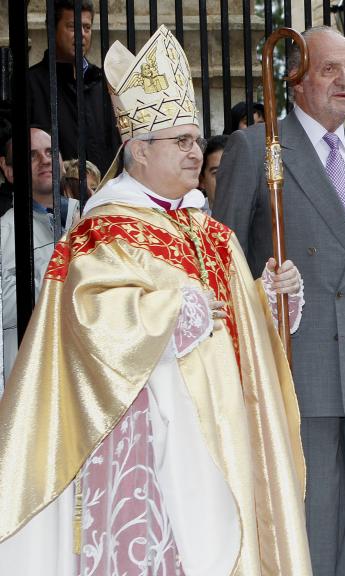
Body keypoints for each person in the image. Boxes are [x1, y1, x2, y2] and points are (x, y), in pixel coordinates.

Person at [0, 26, 312, 574]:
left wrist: (269, 300)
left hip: (225, 434)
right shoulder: (107, 229)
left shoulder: (209, 229)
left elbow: (241, 330)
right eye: (183, 141)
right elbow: (89, 319)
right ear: (139, 151)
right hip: (149, 433)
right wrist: (173, 314)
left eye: (197, 139)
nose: (198, 152)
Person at [214, 26, 345, 576]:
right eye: (331, 69)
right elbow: (223, 262)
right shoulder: (254, 147)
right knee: (313, 520)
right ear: (295, 79)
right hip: (300, 366)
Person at [0, 127, 80, 381]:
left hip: (84, 371)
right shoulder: (5, 233)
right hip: (31, 375)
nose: (45, 160)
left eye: (49, 152)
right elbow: (7, 312)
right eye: (32, 155)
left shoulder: (90, 217)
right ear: (9, 170)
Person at [26, 0, 121, 173]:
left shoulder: (105, 82)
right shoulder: (30, 83)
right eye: (72, 27)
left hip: (106, 193)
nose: (81, 34)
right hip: (57, 196)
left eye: (86, 27)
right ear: (52, 30)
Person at [198, 134, 229, 206]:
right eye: (217, 173)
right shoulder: (189, 216)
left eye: (234, 171)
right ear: (201, 180)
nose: (228, 180)